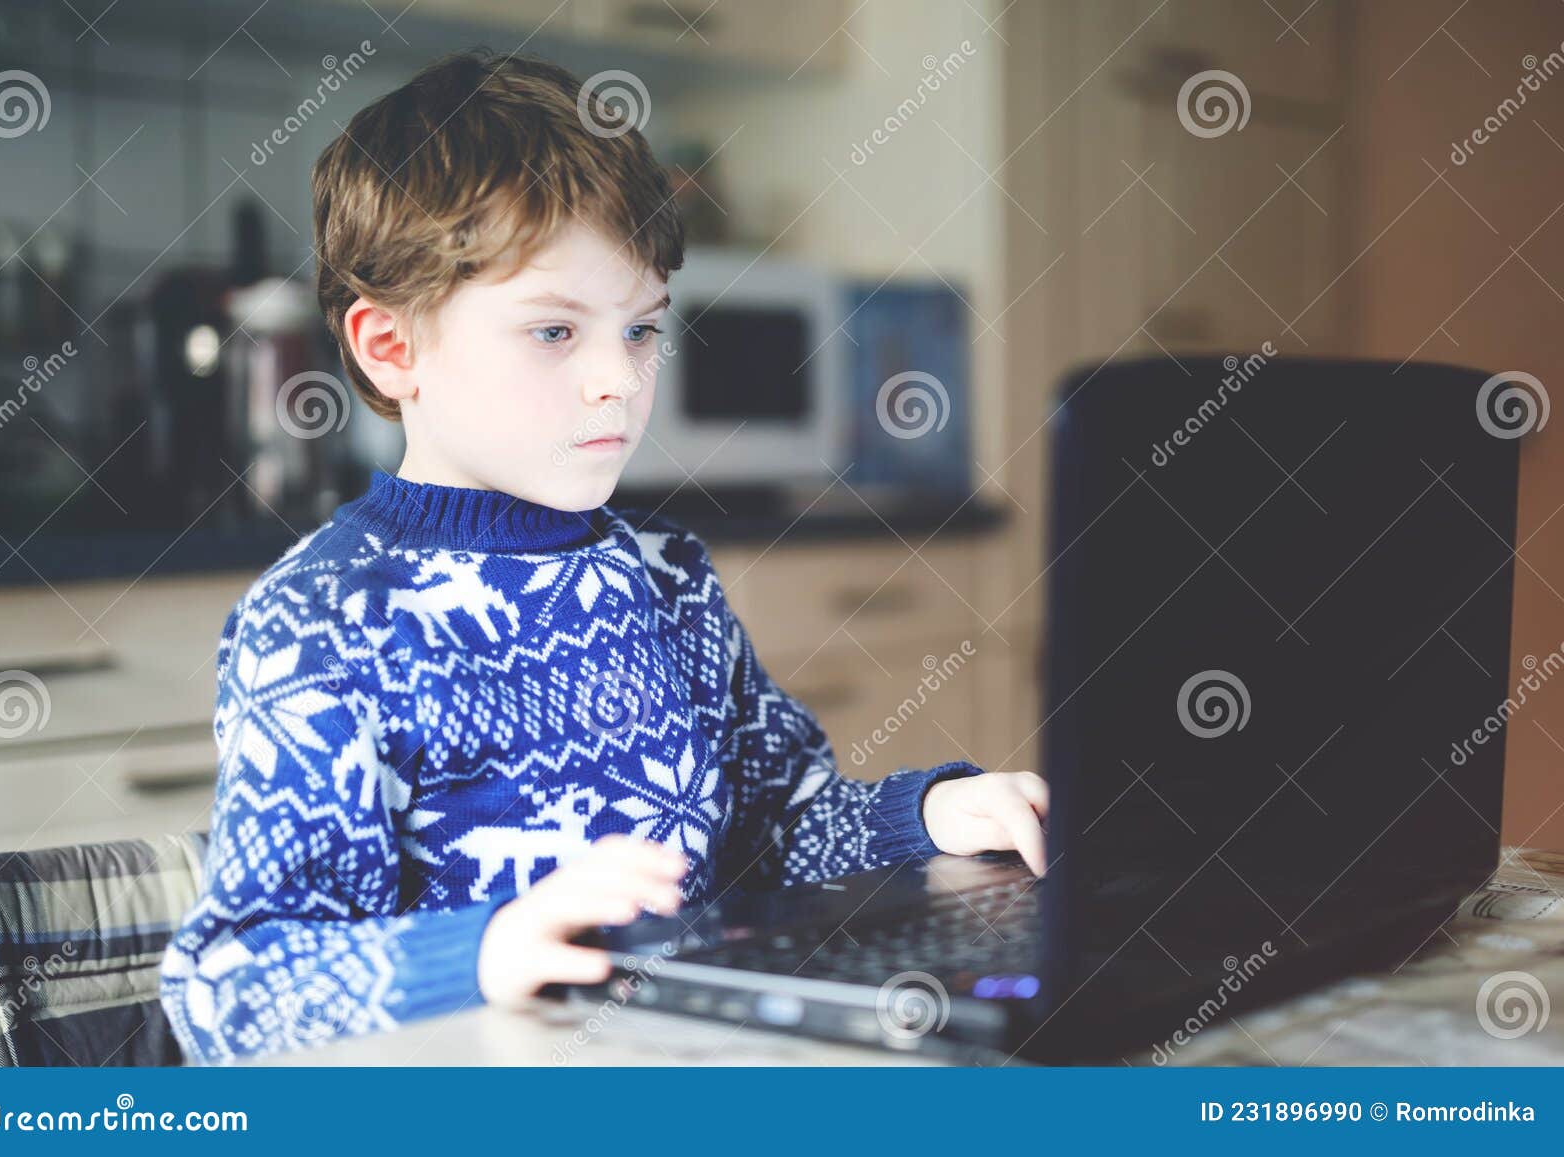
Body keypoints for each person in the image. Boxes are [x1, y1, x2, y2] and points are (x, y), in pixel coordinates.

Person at [159, 48, 1049, 1065]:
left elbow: (773, 833)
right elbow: (228, 985)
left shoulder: (668, 575)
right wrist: (486, 950)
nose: (617, 382)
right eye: (553, 332)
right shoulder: (322, 621)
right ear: (390, 347)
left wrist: (923, 812)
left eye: (638, 329)